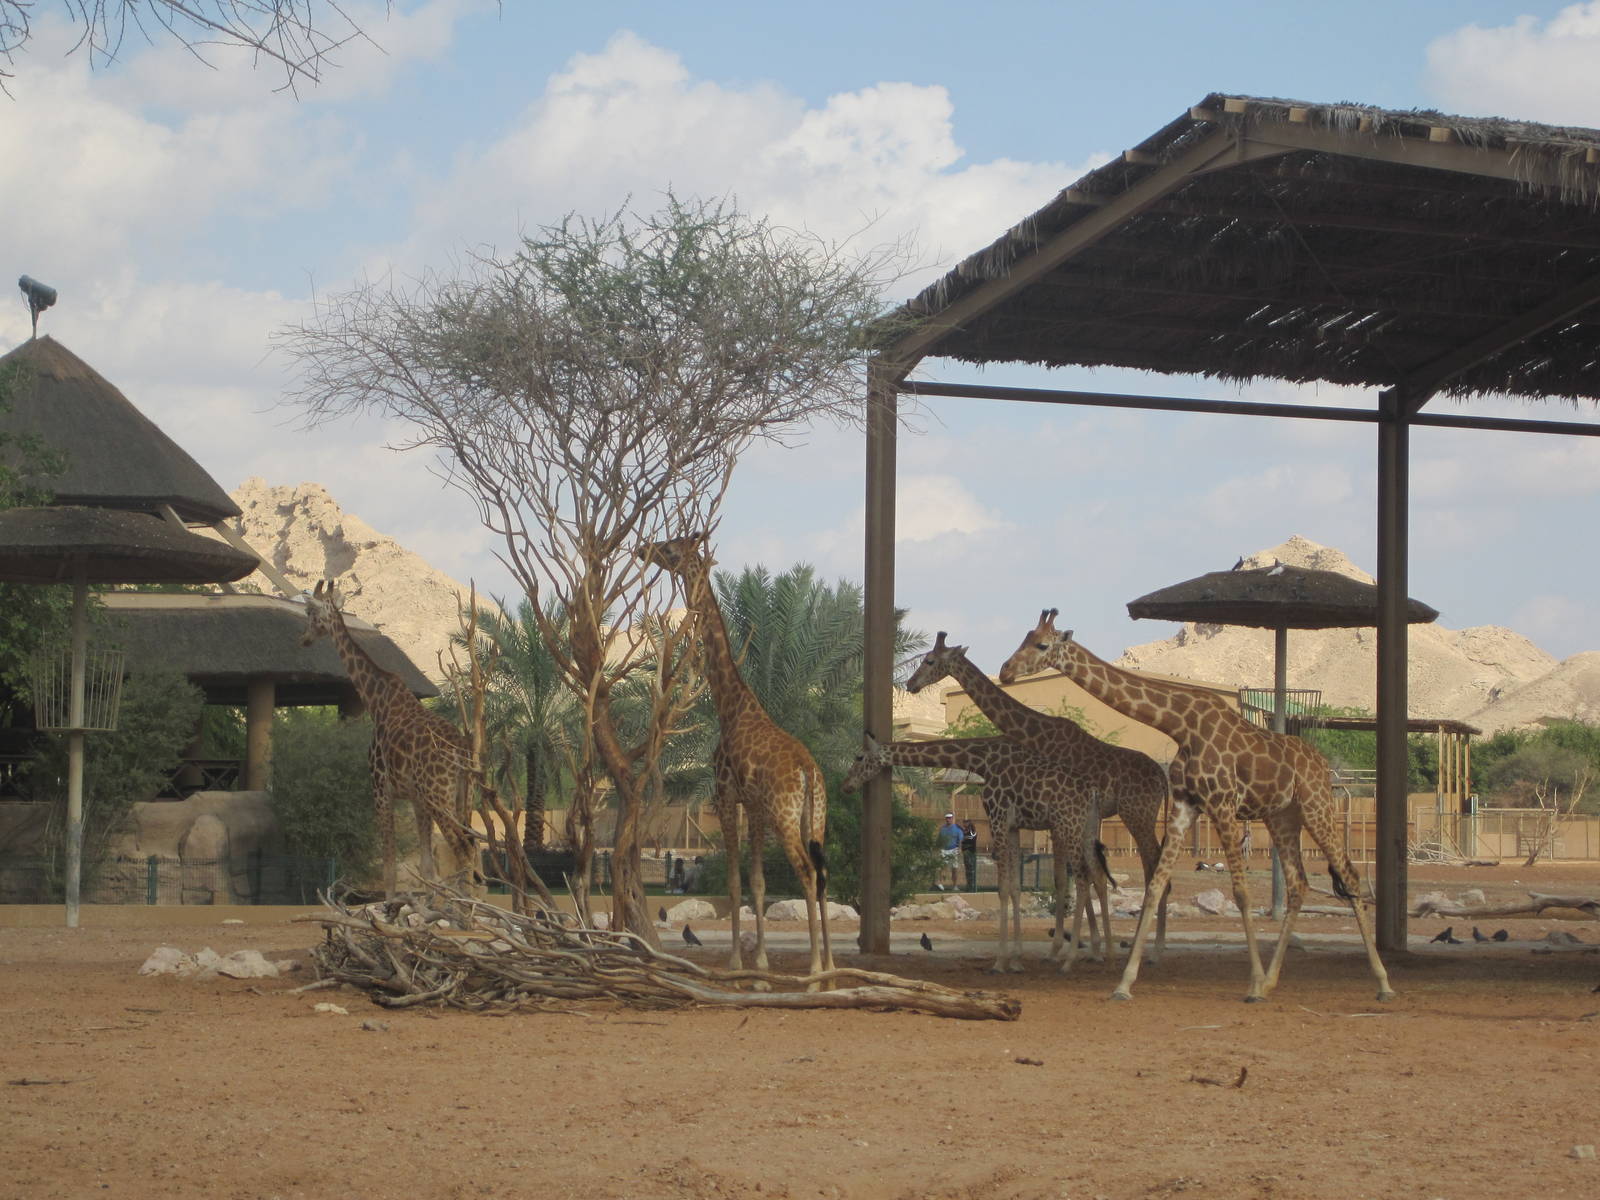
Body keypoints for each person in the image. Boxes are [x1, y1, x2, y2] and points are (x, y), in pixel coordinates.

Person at [936, 812, 962, 890]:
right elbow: (939, 840)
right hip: (944, 850)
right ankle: (940, 884)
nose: (948, 819)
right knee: (942, 867)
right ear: (945, 819)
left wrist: (960, 848)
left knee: (954, 868)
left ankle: (955, 885)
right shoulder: (942, 829)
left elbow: (960, 839)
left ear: (952, 818)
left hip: (954, 849)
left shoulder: (957, 829)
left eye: (950, 818)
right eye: (947, 818)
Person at [961, 820, 979, 892]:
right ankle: (968, 886)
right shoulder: (964, 832)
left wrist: (964, 839)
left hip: (971, 853)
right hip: (966, 853)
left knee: (972, 871)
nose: (964, 824)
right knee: (967, 871)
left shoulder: (972, 832)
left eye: (966, 822)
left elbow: (971, 839)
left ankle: (972, 888)